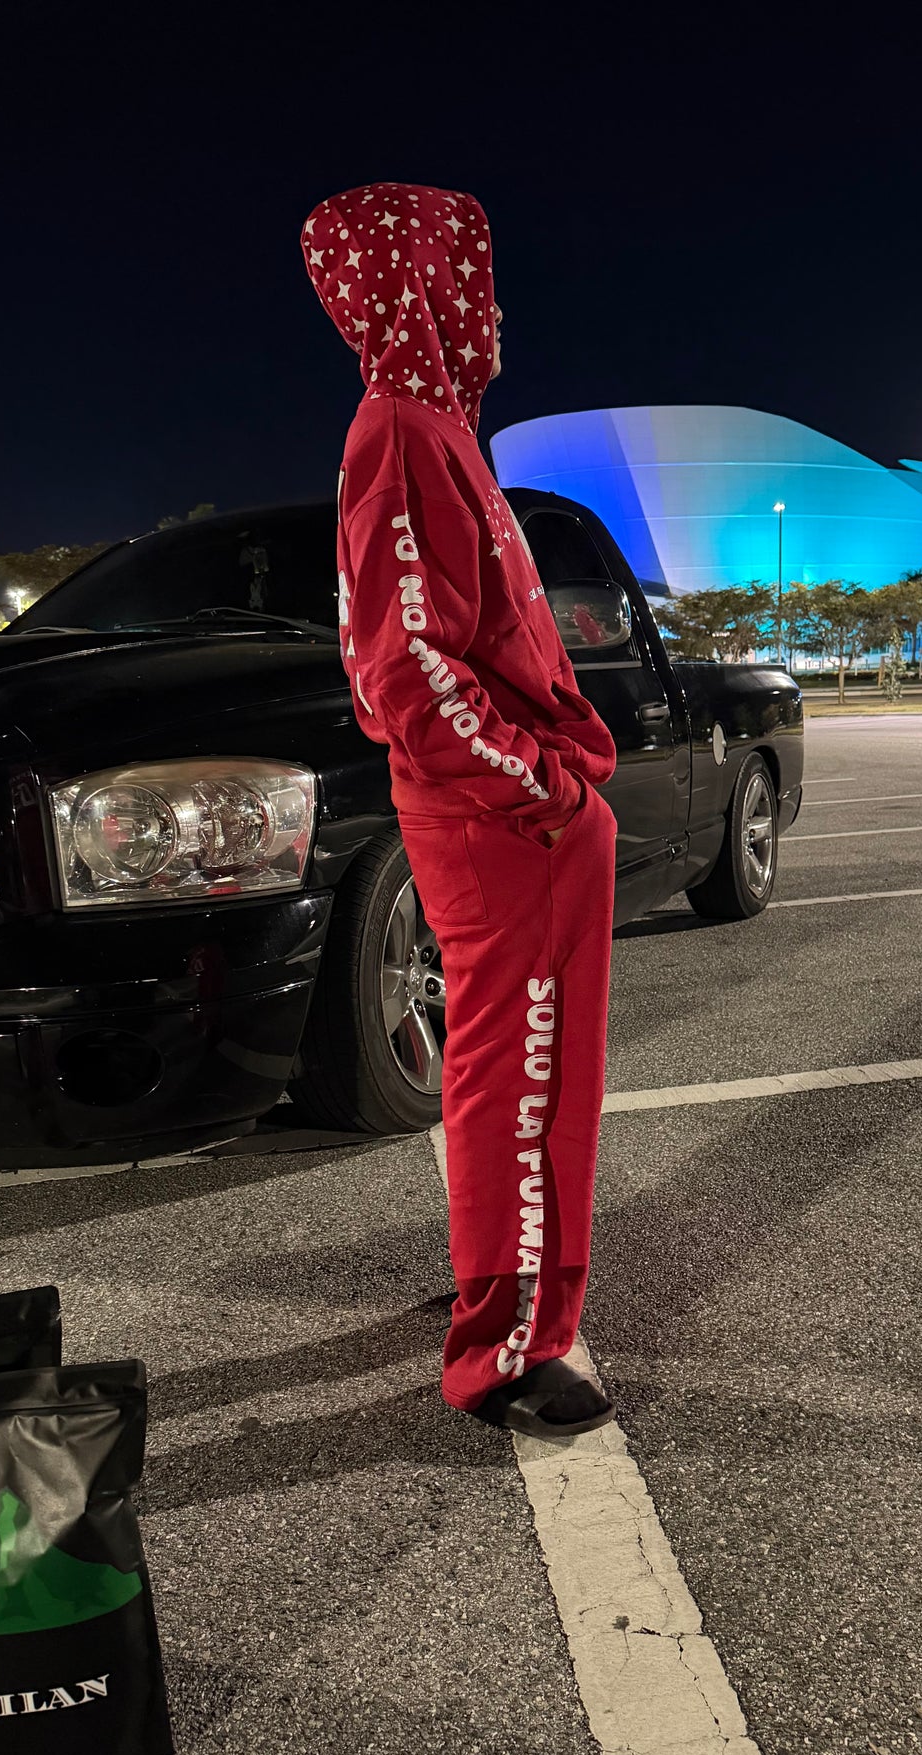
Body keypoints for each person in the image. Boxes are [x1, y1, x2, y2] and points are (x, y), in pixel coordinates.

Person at [302, 182, 619, 1442]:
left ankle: (510, 1291)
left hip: (527, 820)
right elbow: (404, 667)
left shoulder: (436, 428)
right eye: (462, 270)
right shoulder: (397, 432)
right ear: (415, 284)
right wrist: (536, 788)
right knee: (524, 1087)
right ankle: (504, 1352)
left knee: (530, 1085)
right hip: (508, 827)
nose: (485, 302)